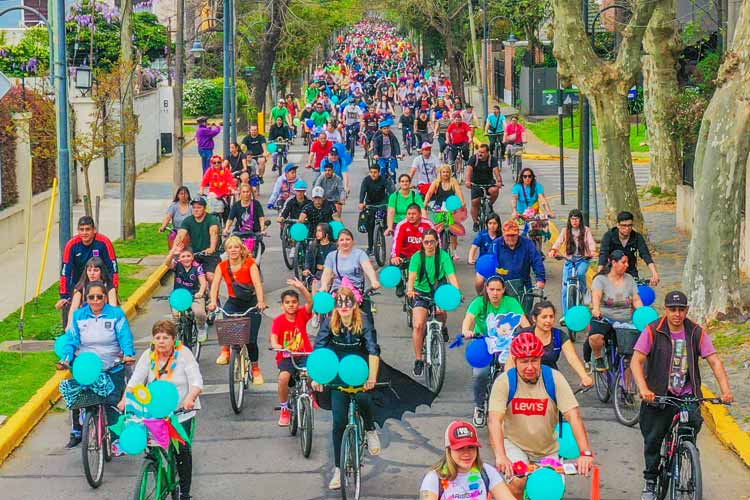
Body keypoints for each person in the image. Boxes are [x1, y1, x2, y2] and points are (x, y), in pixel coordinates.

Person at [630, 291, 734, 500]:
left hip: (687, 395)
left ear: (686, 310)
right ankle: (650, 481)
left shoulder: (696, 332)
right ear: (665, 310)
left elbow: (714, 361)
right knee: (652, 439)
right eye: (672, 309)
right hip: (659, 395)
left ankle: (686, 458)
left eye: (681, 309)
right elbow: (636, 361)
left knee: (690, 429)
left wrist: (726, 391)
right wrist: (644, 388)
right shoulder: (653, 330)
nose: (677, 314)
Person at [487, 333, 595, 499]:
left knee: (548, 492)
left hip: (547, 449)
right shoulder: (505, 382)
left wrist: (585, 453)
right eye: (524, 361)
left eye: (534, 360)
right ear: (515, 361)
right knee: (517, 483)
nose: (530, 367)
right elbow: (495, 420)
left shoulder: (554, 378)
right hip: (515, 444)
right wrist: (501, 455)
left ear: (540, 359)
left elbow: (574, 416)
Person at [120, 320, 202, 500]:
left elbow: (196, 381)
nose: (161, 341)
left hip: (181, 412)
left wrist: (190, 398)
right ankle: (155, 467)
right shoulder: (149, 355)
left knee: (181, 451)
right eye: (158, 337)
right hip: (154, 412)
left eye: (165, 337)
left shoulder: (184, 354)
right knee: (151, 447)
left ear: (174, 339)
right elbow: (135, 381)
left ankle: (184, 493)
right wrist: (125, 399)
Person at [312, 287, 382, 490]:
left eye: (347, 302)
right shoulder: (329, 321)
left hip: (360, 369)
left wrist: (371, 378)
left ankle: (369, 429)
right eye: (339, 303)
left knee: (363, 398)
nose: (343, 307)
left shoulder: (364, 320)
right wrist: (318, 377)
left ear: (355, 304)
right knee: (338, 423)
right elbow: (320, 348)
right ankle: (338, 469)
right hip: (337, 372)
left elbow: (373, 350)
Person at [58, 281, 135, 448]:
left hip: (112, 365)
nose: (95, 301)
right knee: (86, 401)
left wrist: (128, 354)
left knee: (112, 405)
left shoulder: (116, 314)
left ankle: (116, 441)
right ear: (86, 299)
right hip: (87, 369)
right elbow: (71, 340)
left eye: (99, 297)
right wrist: (65, 358)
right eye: (91, 297)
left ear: (105, 298)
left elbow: (125, 336)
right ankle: (89, 427)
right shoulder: (79, 316)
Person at [461, 275, 529, 426]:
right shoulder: (479, 302)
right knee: (480, 374)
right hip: (483, 341)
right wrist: (466, 330)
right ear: (486, 289)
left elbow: (524, 322)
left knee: (512, 373)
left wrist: (528, 334)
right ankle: (479, 406)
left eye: (498, 290)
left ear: (504, 290)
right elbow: (469, 319)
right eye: (491, 289)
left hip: (506, 343)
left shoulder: (511, 302)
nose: (495, 293)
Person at [209, 236, 268, 371]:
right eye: (230, 248)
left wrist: (260, 302)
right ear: (226, 251)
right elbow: (215, 286)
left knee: (251, 340)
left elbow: (258, 284)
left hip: (251, 303)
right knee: (226, 321)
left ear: (241, 249)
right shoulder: (222, 266)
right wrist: (213, 301)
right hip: (233, 301)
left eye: (236, 247)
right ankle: (226, 351)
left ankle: (255, 369)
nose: (233, 250)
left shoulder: (250, 264)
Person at [407, 228, 460, 376]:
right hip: (421, 292)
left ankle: (442, 327)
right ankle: (418, 359)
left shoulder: (443, 256)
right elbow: (411, 277)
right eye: (426, 242)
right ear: (422, 243)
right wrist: (410, 290)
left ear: (437, 242)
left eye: (432, 242)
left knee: (441, 312)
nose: (429, 245)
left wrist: (457, 291)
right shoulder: (417, 257)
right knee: (418, 325)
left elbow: (451, 276)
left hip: (439, 290)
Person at [420, 420, 514, 500]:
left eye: (471, 447)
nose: (466, 453)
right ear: (449, 450)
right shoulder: (433, 478)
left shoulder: (487, 472)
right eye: (460, 448)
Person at [508, 301, 592, 387]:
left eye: (551, 317)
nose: (548, 320)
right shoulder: (523, 335)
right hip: (524, 380)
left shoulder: (559, 335)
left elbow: (572, 357)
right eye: (544, 317)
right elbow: (511, 359)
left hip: (550, 380)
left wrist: (584, 376)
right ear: (534, 318)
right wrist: (509, 381)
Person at [57, 216, 119, 328]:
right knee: (72, 315)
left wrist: (113, 289)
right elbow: (65, 272)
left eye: (87, 229)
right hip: (79, 285)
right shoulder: (71, 245)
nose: (84, 233)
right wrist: (64, 296)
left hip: (102, 286)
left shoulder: (104, 243)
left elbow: (113, 269)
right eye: (81, 229)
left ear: (94, 230)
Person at [588, 249, 644, 370]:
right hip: (604, 318)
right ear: (614, 262)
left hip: (626, 321)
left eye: (627, 262)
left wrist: (642, 313)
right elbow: (596, 295)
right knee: (595, 337)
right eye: (623, 262)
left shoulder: (629, 279)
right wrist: (596, 308)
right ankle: (598, 358)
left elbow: (636, 299)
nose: (627, 265)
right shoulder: (601, 279)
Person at [270, 278, 314, 426]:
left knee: (310, 375)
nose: (291, 305)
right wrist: (277, 346)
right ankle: (284, 408)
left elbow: (311, 302)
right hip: (286, 357)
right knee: (283, 378)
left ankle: (309, 394)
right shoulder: (278, 321)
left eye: (294, 302)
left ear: (298, 304)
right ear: (282, 305)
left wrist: (301, 287)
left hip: (304, 354)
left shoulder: (302, 314)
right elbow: (274, 338)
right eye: (287, 302)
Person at [320, 229, 381, 323]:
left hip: (356, 290)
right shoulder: (331, 256)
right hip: (337, 290)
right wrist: (324, 285)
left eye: (348, 239)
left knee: (366, 319)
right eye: (342, 240)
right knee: (328, 317)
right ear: (338, 242)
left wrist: (374, 280)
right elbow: (327, 273)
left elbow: (367, 267)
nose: (345, 242)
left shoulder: (360, 254)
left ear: (353, 241)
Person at [549, 209, 597, 315]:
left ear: (580, 220)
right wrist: (553, 250)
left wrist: (592, 252)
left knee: (580, 273)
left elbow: (591, 242)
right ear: (569, 220)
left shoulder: (586, 230)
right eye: (572, 219)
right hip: (569, 261)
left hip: (583, 259)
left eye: (577, 219)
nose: (574, 221)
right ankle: (566, 315)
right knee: (565, 289)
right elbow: (558, 242)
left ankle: (584, 293)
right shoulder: (565, 231)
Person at [491, 220, 545, 313]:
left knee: (524, 314)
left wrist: (540, 279)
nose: (511, 238)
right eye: (508, 235)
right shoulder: (496, 244)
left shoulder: (528, 244)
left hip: (523, 284)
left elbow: (536, 260)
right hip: (502, 284)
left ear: (518, 234)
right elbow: (489, 263)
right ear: (503, 234)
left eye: (513, 235)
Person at [597, 211, 660, 286]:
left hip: (631, 272)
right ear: (618, 225)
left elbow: (645, 255)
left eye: (629, 225)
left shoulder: (637, 237)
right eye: (624, 225)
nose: (627, 228)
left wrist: (654, 273)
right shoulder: (609, 236)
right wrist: (599, 274)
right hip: (612, 271)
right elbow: (603, 255)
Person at [164, 245, 208, 342]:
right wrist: (172, 253)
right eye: (183, 256)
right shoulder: (177, 265)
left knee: (199, 312)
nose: (186, 259)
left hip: (194, 295)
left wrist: (200, 292)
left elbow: (203, 282)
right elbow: (167, 263)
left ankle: (201, 327)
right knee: (175, 317)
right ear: (179, 258)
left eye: (188, 256)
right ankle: (176, 336)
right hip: (179, 296)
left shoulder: (197, 267)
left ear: (192, 257)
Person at [65, 257, 119, 333]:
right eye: (89, 270)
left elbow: (113, 308)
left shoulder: (109, 287)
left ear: (101, 272)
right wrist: (69, 325)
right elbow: (74, 308)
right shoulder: (80, 287)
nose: (92, 273)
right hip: (85, 324)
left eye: (96, 270)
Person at [423, 165, 466, 260]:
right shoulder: (436, 183)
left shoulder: (453, 182)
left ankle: (454, 251)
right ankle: (438, 247)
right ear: (440, 173)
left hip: (451, 207)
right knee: (437, 229)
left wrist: (462, 202)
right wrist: (425, 203)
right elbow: (429, 193)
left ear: (450, 173)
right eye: (443, 172)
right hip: (439, 207)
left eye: (447, 172)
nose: (445, 174)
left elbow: (459, 192)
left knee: (454, 230)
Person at [174, 198, 222, 284]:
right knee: (185, 272)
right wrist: (175, 248)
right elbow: (180, 234)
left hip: (210, 254)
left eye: (199, 207)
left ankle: (214, 296)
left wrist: (212, 248)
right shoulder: (188, 220)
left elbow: (213, 232)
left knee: (210, 276)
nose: (196, 210)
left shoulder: (212, 219)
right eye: (194, 207)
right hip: (196, 254)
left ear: (204, 208)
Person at [466, 144, 503, 232]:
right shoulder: (473, 159)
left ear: (487, 153)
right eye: (479, 152)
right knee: (475, 202)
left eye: (482, 152)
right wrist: (467, 181)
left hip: (488, 183)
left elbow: (496, 171)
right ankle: (475, 222)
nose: (480, 154)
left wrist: (499, 181)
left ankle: (489, 204)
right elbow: (469, 171)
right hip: (475, 183)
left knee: (495, 190)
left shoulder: (492, 159)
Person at [358, 164, 393, 255]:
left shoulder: (383, 180)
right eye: (371, 172)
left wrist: (391, 202)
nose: (373, 174)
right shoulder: (366, 180)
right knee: (370, 226)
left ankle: (385, 227)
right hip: (370, 203)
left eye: (375, 172)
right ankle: (370, 248)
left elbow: (390, 191)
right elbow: (362, 191)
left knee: (386, 213)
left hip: (382, 202)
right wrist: (361, 202)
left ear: (379, 172)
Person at [223, 183, 267, 253]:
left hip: (254, 233)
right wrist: (226, 229)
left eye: (247, 191)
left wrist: (262, 229)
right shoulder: (236, 205)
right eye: (243, 192)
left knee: (258, 248)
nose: (246, 194)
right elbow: (230, 219)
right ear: (240, 193)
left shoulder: (256, 204)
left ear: (250, 192)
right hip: (239, 233)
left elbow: (261, 218)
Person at [468, 214, 502, 294]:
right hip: (483, 264)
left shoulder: (502, 237)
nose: (492, 226)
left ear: (498, 225)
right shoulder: (482, 235)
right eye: (490, 223)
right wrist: (470, 257)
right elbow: (474, 247)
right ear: (487, 224)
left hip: (497, 265)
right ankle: (479, 296)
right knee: (479, 282)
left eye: (494, 223)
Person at [303, 222, 337, 295]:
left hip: (331, 274)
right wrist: (307, 269)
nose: (317, 233)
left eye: (320, 231)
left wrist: (327, 267)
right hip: (317, 274)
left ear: (327, 233)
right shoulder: (314, 246)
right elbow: (308, 260)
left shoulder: (334, 247)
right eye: (317, 231)